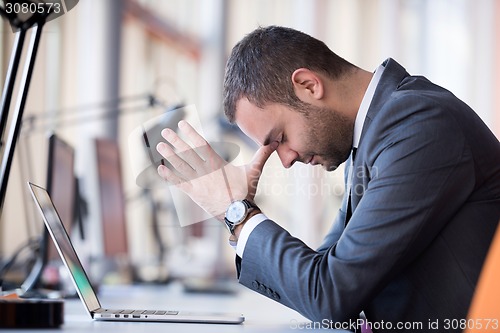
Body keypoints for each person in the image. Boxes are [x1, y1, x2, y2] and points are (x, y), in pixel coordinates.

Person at [156, 26, 500, 332]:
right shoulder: (373, 137)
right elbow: (319, 280)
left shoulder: (420, 127)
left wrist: (237, 213)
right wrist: (239, 213)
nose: (287, 160)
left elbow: (330, 294)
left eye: (280, 138)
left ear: (308, 85)